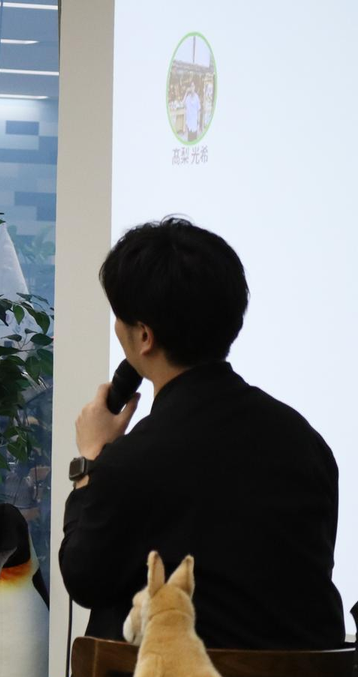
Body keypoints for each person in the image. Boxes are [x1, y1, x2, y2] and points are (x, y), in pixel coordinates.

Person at [59, 217, 345, 650]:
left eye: (119, 317)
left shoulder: (130, 462)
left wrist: (91, 461)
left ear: (144, 336)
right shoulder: (308, 444)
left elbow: (84, 579)